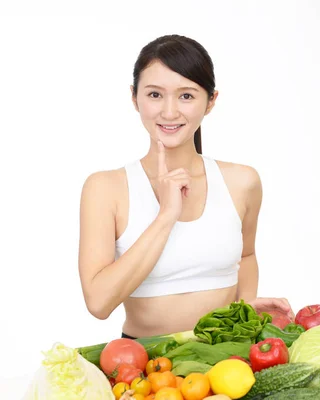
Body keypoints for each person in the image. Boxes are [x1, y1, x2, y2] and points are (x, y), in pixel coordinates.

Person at [77, 34, 293, 339]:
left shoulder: (242, 182)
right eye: (154, 94)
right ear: (134, 97)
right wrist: (166, 215)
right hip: (145, 365)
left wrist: (243, 316)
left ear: (211, 102)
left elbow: (245, 256)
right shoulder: (105, 189)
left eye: (186, 96)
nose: (169, 112)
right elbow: (98, 303)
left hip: (227, 358)